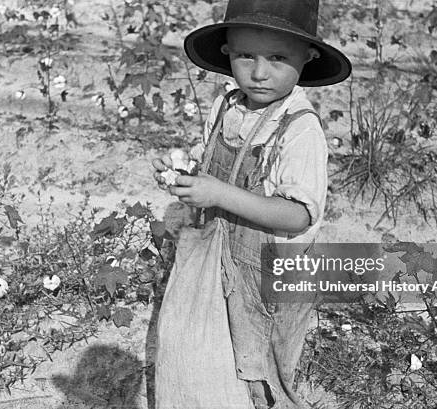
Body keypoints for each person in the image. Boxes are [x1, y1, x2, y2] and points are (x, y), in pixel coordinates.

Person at [152, 0, 351, 407]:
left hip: (269, 277)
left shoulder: (299, 130)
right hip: (219, 257)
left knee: (263, 372)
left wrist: (219, 194)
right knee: (213, 354)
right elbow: (215, 162)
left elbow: (298, 215)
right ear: (226, 51)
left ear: (307, 57)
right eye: (245, 56)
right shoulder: (227, 105)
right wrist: (185, 174)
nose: (259, 73)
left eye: (278, 58)